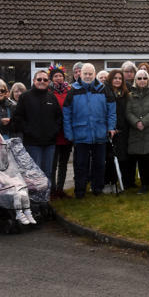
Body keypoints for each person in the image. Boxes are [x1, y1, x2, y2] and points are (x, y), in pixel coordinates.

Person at [62, 63, 116, 198]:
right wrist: (69, 133)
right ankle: (80, 191)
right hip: (80, 134)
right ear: (80, 74)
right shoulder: (73, 90)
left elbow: (111, 111)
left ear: (94, 74)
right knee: (80, 165)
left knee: (99, 164)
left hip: (100, 133)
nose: (87, 76)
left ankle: (97, 189)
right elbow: (67, 114)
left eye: (90, 74)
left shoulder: (103, 89)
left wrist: (111, 127)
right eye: (85, 73)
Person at [13, 70, 62, 185]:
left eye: (45, 80)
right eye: (39, 79)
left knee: (48, 172)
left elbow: (59, 118)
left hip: (49, 143)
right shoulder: (25, 97)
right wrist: (29, 131)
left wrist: (54, 132)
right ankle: (35, 197)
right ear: (34, 81)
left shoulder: (52, 97)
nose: (42, 81)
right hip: (32, 144)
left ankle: (46, 196)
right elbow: (18, 118)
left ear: (48, 82)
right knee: (34, 174)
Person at [126, 69, 149, 194]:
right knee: (141, 159)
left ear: (148, 79)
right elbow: (128, 112)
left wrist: (144, 122)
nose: (142, 80)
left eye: (144, 78)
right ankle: (144, 184)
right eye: (139, 78)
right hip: (137, 132)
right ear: (135, 80)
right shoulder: (130, 95)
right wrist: (136, 122)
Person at [47, 64, 73, 198]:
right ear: (51, 78)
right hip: (54, 133)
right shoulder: (48, 92)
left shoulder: (69, 90)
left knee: (64, 163)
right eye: (56, 76)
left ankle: (60, 189)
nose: (58, 78)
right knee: (53, 164)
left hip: (66, 132)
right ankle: (52, 190)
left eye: (60, 76)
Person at [105, 68, 132, 190]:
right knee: (110, 158)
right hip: (111, 130)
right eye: (115, 78)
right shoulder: (106, 92)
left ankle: (125, 182)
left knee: (123, 158)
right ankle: (110, 181)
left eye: (120, 78)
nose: (117, 80)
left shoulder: (126, 93)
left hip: (124, 130)